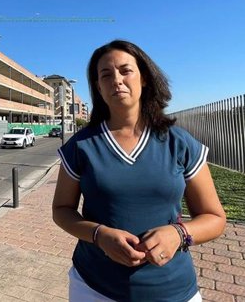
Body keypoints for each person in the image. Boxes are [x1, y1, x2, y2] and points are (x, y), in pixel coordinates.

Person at [52, 40, 226, 302]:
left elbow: (214, 217)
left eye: (125, 70)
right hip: (94, 288)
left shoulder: (179, 143)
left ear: (144, 78)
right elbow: (61, 210)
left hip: (172, 289)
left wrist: (179, 234)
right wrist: (99, 235)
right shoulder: (81, 146)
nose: (117, 80)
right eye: (106, 75)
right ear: (98, 87)